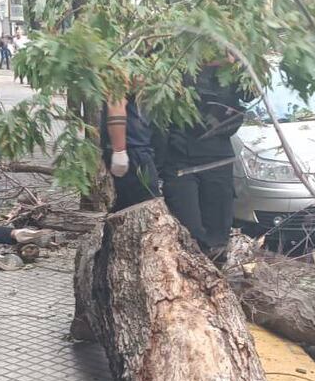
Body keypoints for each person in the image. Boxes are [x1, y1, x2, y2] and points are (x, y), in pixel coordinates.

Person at [159, 58, 247, 255]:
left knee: (218, 230)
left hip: (217, 154)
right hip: (180, 154)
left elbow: (250, 92)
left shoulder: (233, 62)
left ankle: (215, 275)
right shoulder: (176, 57)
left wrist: (236, 62)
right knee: (188, 229)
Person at [102, 92, 161, 211]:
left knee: (127, 204)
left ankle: (110, 229)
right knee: (148, 206)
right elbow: (115, 102)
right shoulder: (123, 75)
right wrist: (119, 151)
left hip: (140, 146)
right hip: (132, 150)